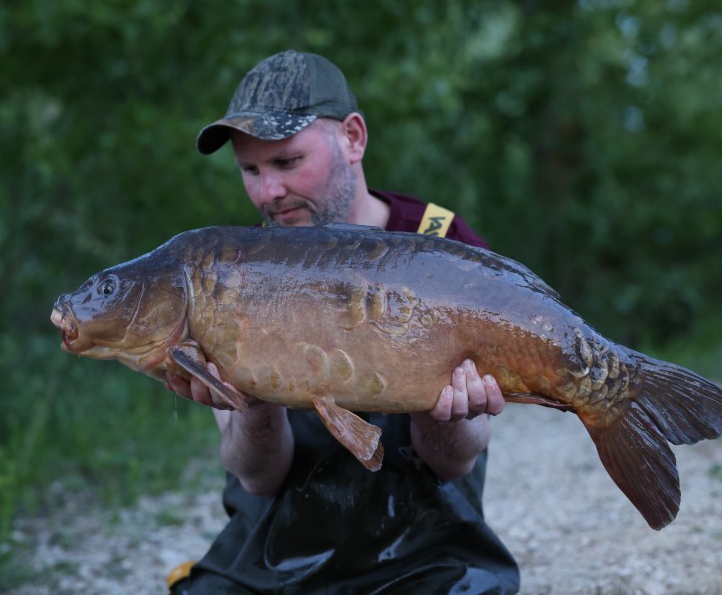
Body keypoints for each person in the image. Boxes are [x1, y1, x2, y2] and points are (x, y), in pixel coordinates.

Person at [165, 50, 520, 594]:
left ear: (353, 138)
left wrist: (442, 411)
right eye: (250, 170)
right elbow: (257, 476)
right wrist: (253, 400)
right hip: (276, 549)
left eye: (286, 162)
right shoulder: (231, 273)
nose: (268, 193)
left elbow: (454, 465)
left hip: (425, 544)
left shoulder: (442, 246)